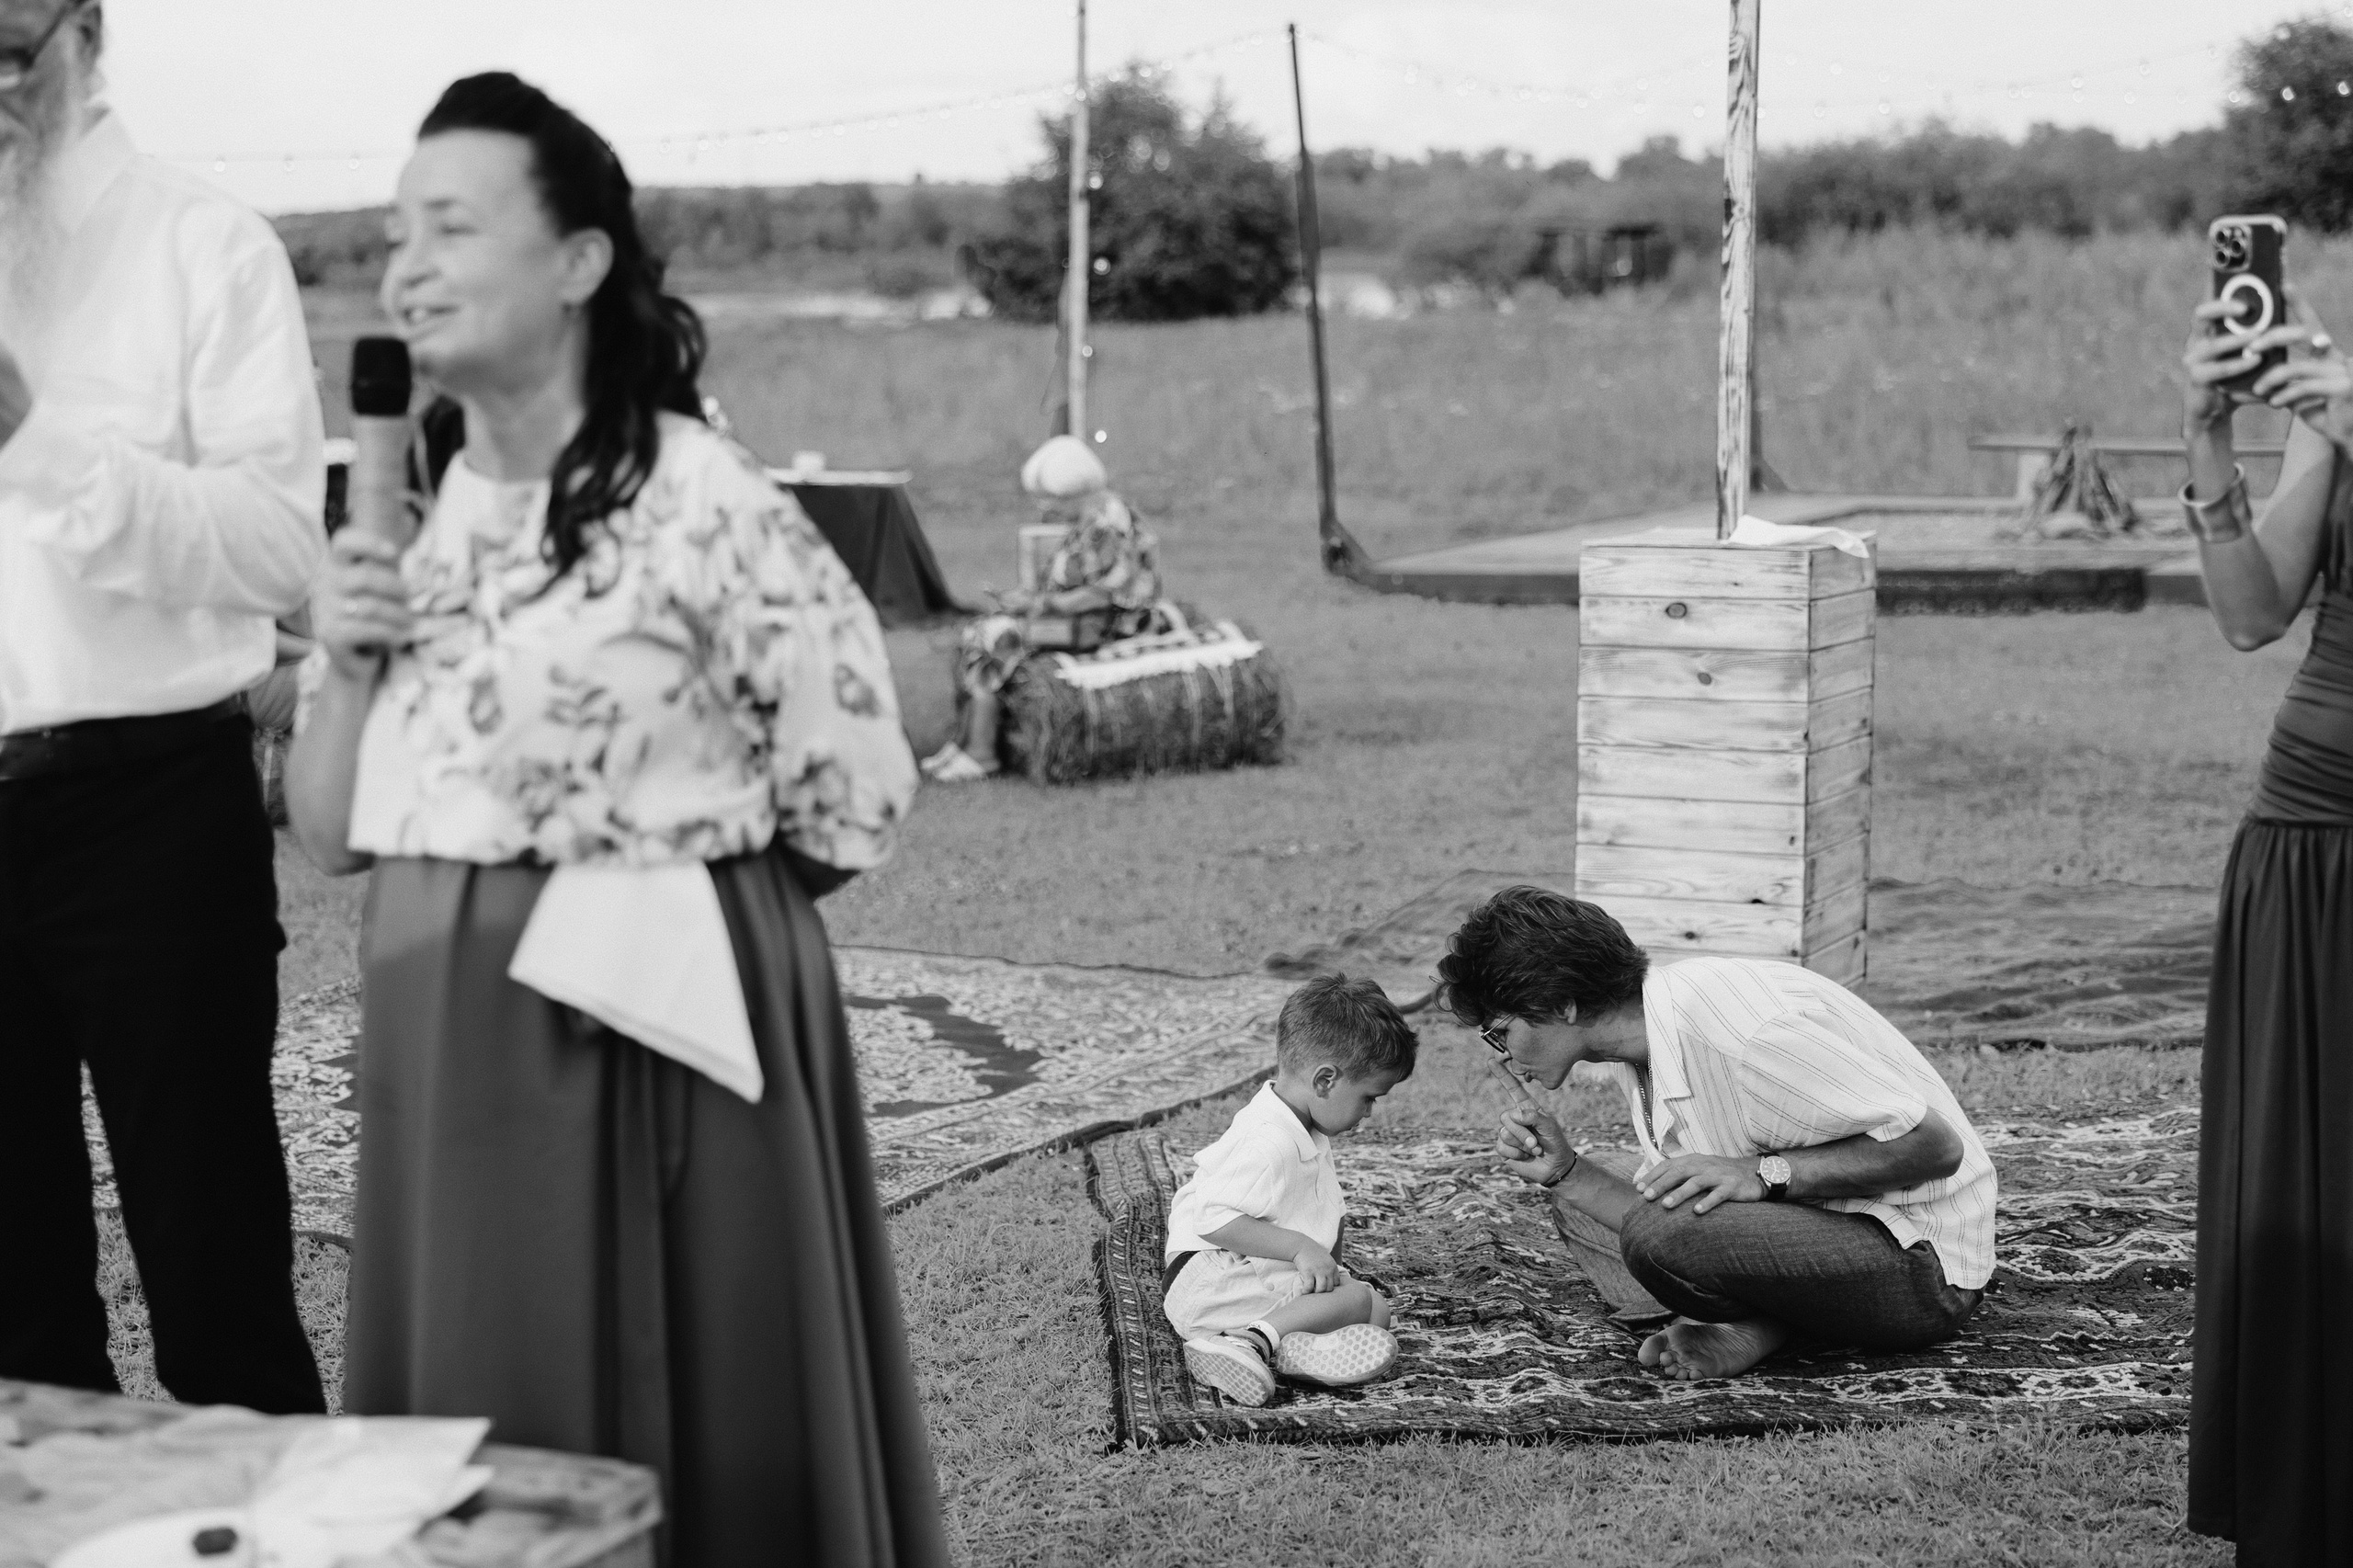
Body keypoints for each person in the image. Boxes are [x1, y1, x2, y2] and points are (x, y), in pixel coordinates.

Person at [285, 74, 944, 1566]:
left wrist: (683, 913)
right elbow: (329, 837)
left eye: (452, 226)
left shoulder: (704, 498)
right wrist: (339, 655)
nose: (407, 267)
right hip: (440, 1048)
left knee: (681, 1424)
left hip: (652, 1028)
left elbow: (852, 781)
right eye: (397, 234)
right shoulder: (418, 515)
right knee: (479, 1446)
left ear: (579, 262)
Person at [0, 0, 325, 1413]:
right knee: (11, 1323)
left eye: (10, 46)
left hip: (148, 814)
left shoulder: (208, 247)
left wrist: (32, 435)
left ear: (86, 33)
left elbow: (275, 549)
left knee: (217, 1291)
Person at [1438, 887, 1994, 1381]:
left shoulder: (1748, 1036)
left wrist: (1762, 1173)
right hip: (1815, 1232)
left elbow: (1938, 1147)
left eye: (1500, 1032)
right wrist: (1565, 1172)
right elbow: (1680, 1197)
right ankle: (1758, 1317)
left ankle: (1754, 1320)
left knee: (1661, 1234)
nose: (1507, 1057)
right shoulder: (1641, 1039)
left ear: (1561, 1003)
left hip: (1919, 1265)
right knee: (1585, 1202)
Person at [2177, 278, 2353, 1565]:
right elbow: (2252, 611)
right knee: (2306, 1190)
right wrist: (2209, 433)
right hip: (2306, 840)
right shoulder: (2338, 394)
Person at [1164, 974, 1414, 1406]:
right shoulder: (1268, 1142)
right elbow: (1211, 1218)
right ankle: (1248, 1344)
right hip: (1206, 1279)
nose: (1371, 1112)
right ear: (1325, 1081)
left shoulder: (1304, 1125)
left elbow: (1323, 1212)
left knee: (1375, 1312)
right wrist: (1301, 1249)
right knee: (1354, 1301)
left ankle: (1291, 1353)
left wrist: (1328, 1273)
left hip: (1239, 1269)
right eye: (1369, 1097)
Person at [919, 433, 1162, 782]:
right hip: (1083, 618)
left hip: (1107, 625)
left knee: (997, 638)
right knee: (981, 632)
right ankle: (965, 743)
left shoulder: (1107, 524)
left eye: (1050, 500)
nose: (1044, 508)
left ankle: (980, 751)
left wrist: (1038, 605)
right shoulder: (1094, 515)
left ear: (1075, 490)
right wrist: (1028, 601)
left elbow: (1101, 595)